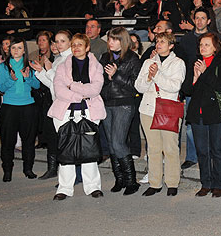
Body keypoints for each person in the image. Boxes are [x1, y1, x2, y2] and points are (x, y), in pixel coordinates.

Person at [48, 34, 106, 200]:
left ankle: (93, 187)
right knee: (67, 150)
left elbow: (95, 89)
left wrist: (73, 86)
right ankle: (64, 188)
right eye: (73, 45)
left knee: (89, 149)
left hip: (90, 111)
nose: (76, 48)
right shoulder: (62, 66)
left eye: (80, 44)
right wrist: (79, 95)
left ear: (87, 47)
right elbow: (59, 90)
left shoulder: (96, 65)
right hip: (65, 112)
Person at [134, 32, 186, 196]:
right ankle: (155, 183)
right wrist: (149, 77)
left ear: (171, 45)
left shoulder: (178, 63)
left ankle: (172, 182)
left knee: (170, 147)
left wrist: (157, 75)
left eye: (162, 41)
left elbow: (174, 86)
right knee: (153, 148)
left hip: (168, 110)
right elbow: (139, 87)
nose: (158, 44)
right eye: (157, 41)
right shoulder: (148, 62)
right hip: (148, 109)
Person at [186, 33, 221, 197]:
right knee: (202, 151)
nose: (202, 48)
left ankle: (218, 184)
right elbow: (187, 90)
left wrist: (205, 73)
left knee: (217, 150)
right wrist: (195, 77)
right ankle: (206, 183)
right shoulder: (195, 63)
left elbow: (220, 86)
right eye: (201, 45)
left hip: (217, 113)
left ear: (215, 47)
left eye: (207, 44)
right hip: (198, 114)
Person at [99, 27, 142, 195]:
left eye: (115, 39)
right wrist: (106, 78)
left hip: (124, 103)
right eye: (109, 39)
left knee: (118, 142)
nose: (110, 42)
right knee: (111, 143)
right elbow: (99, 80)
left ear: (123, 41)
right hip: (107, 102)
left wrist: (116, 75)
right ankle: (120, 179)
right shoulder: (105, 57)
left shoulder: (133, 59)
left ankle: (131, 181)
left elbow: (136, 87)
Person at [30, 30, 72, 180]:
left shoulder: (70, 59)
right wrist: (41, 72)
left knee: (64, 140)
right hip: (56, 103)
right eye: (56, 41)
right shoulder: (59, 59)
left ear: (70, 42)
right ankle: (54, 169)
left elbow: (63, 83)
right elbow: (53, 85)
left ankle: (65, 175)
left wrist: (48, 70)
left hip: (67, 104)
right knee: (54, 138)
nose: (58, 44)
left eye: (62, 41)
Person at [0, 37, 41, 181]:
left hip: (28, 106)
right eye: (13, 47)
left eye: (19, 48)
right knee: (8, 141)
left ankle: (28, 168)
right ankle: (7, 170)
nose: (16, 51)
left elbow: (37, 85)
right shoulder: (4, 66)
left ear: (24, 50)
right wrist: (12, 79)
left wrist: (28, 78)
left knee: (28, 141)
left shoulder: (30, 64)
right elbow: (1, 88)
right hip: (9, 107)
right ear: (9, 50)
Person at [179, 8, 214, 170]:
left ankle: (209, 156)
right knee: (191, 126)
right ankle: (192, 157)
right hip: (191, 87)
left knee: (210, 125)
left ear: (208, 20)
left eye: (203, 18)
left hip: (210, 87)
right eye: (197, 18)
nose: (199, 21)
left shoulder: (214, 38)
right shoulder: (186, 39)